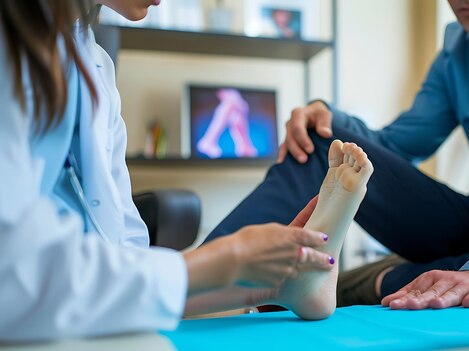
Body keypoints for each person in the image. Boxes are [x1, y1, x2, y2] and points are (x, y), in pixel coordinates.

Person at [206, 0, 469, 311]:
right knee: (325, 139)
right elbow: (396, 146)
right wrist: (334, 121)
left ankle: (386, 279)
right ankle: (198, 283)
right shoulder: (457, 51)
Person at [0, 0, 373, 341]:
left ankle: (277, 285)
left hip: (81, 288)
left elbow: (123, 236)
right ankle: (273, 283)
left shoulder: (95, 63)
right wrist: (229, 259)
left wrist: (239, 264)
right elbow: (14, 273)